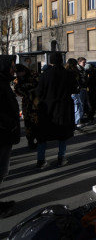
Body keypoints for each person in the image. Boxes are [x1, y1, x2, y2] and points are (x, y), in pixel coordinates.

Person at [36, 52, 79, 168]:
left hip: (47, 109)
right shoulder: (68, 74)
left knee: (43, 135)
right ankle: (61, 157)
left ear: (51, 61)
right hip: (63, 108)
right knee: (62, 134)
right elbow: (75, 89)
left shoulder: (45, 74)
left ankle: (41, 160)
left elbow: (38, 92)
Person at [0, 55, 20, 218]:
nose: (14, 69)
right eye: (12, 66)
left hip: (5, 134)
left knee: (2, 171)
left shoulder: (3, 82)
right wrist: (10, 124)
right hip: (2, 135)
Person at [13, 64, 40, 149]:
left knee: (37, 121)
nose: (17, 75)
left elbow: (39, 86)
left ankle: (39, 139)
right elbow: (18, 91)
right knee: (28, 122)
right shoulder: (17, 80)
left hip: (36, 102)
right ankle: (30, 141)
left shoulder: (34, 75)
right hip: (27, 104)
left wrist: (28, 90)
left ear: (23, 71)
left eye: (18, 73)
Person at [65, 58, 82, 126]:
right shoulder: (72, 72)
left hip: (70, 92)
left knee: (75, 106)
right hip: (73, 91)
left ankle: (74, 121)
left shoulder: (66, 71)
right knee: (77, 106)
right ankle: (76, 122)